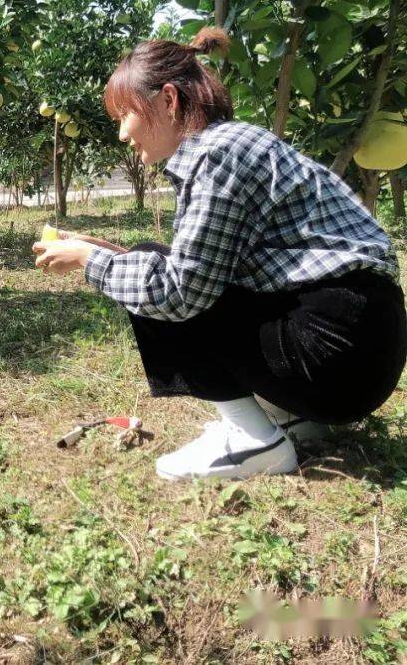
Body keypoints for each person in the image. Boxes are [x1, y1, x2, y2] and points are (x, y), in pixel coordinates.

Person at [32, 27, 406, 481]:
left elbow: (178, 292)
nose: (122, 133)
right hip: (359, 347)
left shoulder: (215, 154)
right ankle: (292, 421)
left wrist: (91, 263)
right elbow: (206, 263)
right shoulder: (232, 144)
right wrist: (100, 250)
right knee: (149, 262)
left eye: (125, 115)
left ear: (168, 100)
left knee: (155, 284)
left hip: (333, 353)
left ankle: (253, 441)